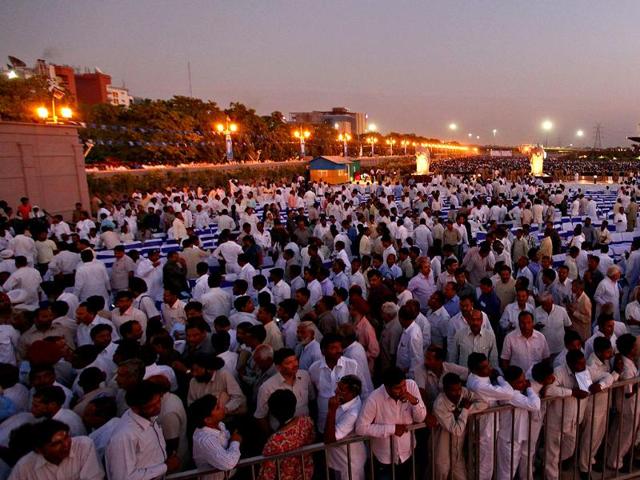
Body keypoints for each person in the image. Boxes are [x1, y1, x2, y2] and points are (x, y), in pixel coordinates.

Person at [356, 367, 427, 478]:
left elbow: (420, 418)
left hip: (408, 452)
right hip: (384, 458)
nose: (403, 390)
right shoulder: (374, 399)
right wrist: (392, 429)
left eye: (404, 385)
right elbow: (360, 428)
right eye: (398, 388)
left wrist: (414, 401)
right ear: (387, 387)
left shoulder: (411, 386)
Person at [105, 381, 181, 479]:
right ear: (135, 408)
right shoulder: (124, 436)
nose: (158, 407)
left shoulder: (150, 417)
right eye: (151, 406)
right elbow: (123, 477)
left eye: (159, 401)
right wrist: (165, 467)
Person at [8, 419, 104, 480]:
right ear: (39, 450)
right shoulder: (24, 466)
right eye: (56, 443)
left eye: (67, 437)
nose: (66, 445)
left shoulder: (84, 446)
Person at [432, 372, 486, 480]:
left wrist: (463, 411)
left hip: (457, 451)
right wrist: (465, 410)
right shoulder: (439, 404)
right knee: (440, 473)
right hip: (442, 448)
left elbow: (483, 403)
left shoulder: (463, 392)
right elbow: (457, 430)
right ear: (445, 390)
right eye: (453, 390)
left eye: (459, 389)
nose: (457, 393)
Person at [258, 389, 315, 480]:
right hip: (306, 473)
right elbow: (312, 439)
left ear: (273, 412)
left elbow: (267, 474)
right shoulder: (306, 421)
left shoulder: (275, 440)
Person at [190, 394, 242, 480]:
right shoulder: (205, 440)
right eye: (217, 408)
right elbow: (228, 463)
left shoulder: (220, 424)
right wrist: (235, 442)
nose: (222, 407)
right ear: (208, 420)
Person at [324, 375, 366, 480]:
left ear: (352, 394)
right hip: (340, 460)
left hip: (349, 464)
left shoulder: (352, 414)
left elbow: (330, 439)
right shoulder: (346, 401)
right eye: (338, 387)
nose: (336, 391)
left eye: (341, 390)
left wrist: (331, 411)